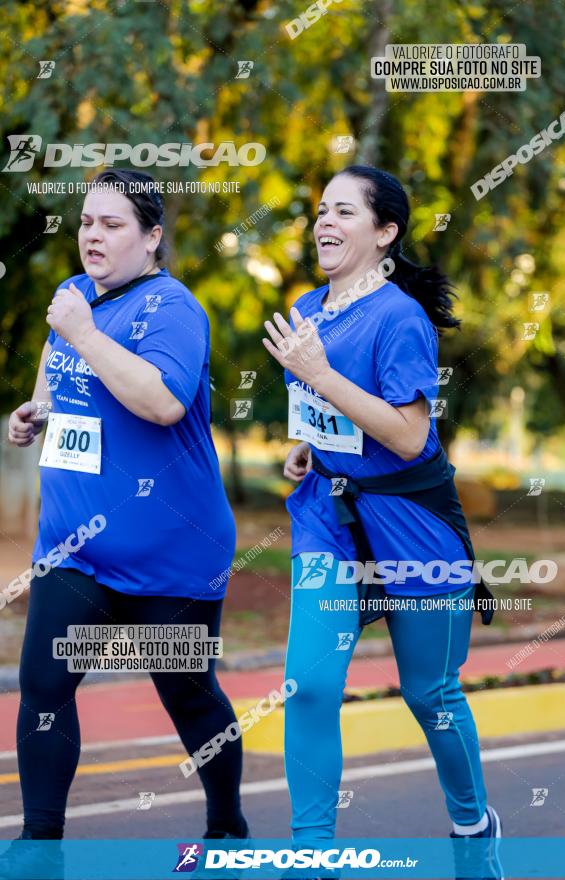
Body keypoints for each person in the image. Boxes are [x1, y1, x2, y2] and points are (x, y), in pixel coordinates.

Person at [5, 169, 249, 872]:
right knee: (46, 686)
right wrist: (37, 412)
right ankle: (39, 845)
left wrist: (81, 330)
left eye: (112, 225)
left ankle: (228, 826)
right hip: (75, 551)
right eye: (86, 222)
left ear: (151, 238)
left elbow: (162, 401)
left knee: (187, 695)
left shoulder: (172, 309)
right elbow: (62, 382)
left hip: (169, 555)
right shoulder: (73, 299)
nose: (92, 235)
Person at [263, 165, 503, 880]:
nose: (323, 222)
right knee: (308, 684)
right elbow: (324, 414)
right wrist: (308, 449)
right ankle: (313, 853)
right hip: (328, 522)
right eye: (320, 209)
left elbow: (404, 435)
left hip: (410, 526)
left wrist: (320, 374)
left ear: (384, 232)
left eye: (343, 211)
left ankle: (472, 823)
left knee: (428, 692)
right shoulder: (308, 305)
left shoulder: (400, 317)